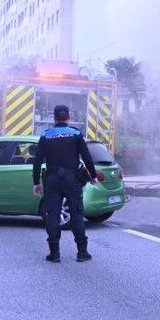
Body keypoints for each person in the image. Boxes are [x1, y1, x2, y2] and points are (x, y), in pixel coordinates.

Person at [31, 104, 100, 263]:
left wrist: (36, 182)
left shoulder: (46, 135)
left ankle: (54, 254)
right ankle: (82, 252)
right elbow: (86, 157)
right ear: (69, 117)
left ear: (54, 118)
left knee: (53, 215)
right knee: (77, 214)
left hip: (52, 180)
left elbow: (37, 161)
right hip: (72, 179)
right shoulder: (76, 134)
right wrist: (93, 175)